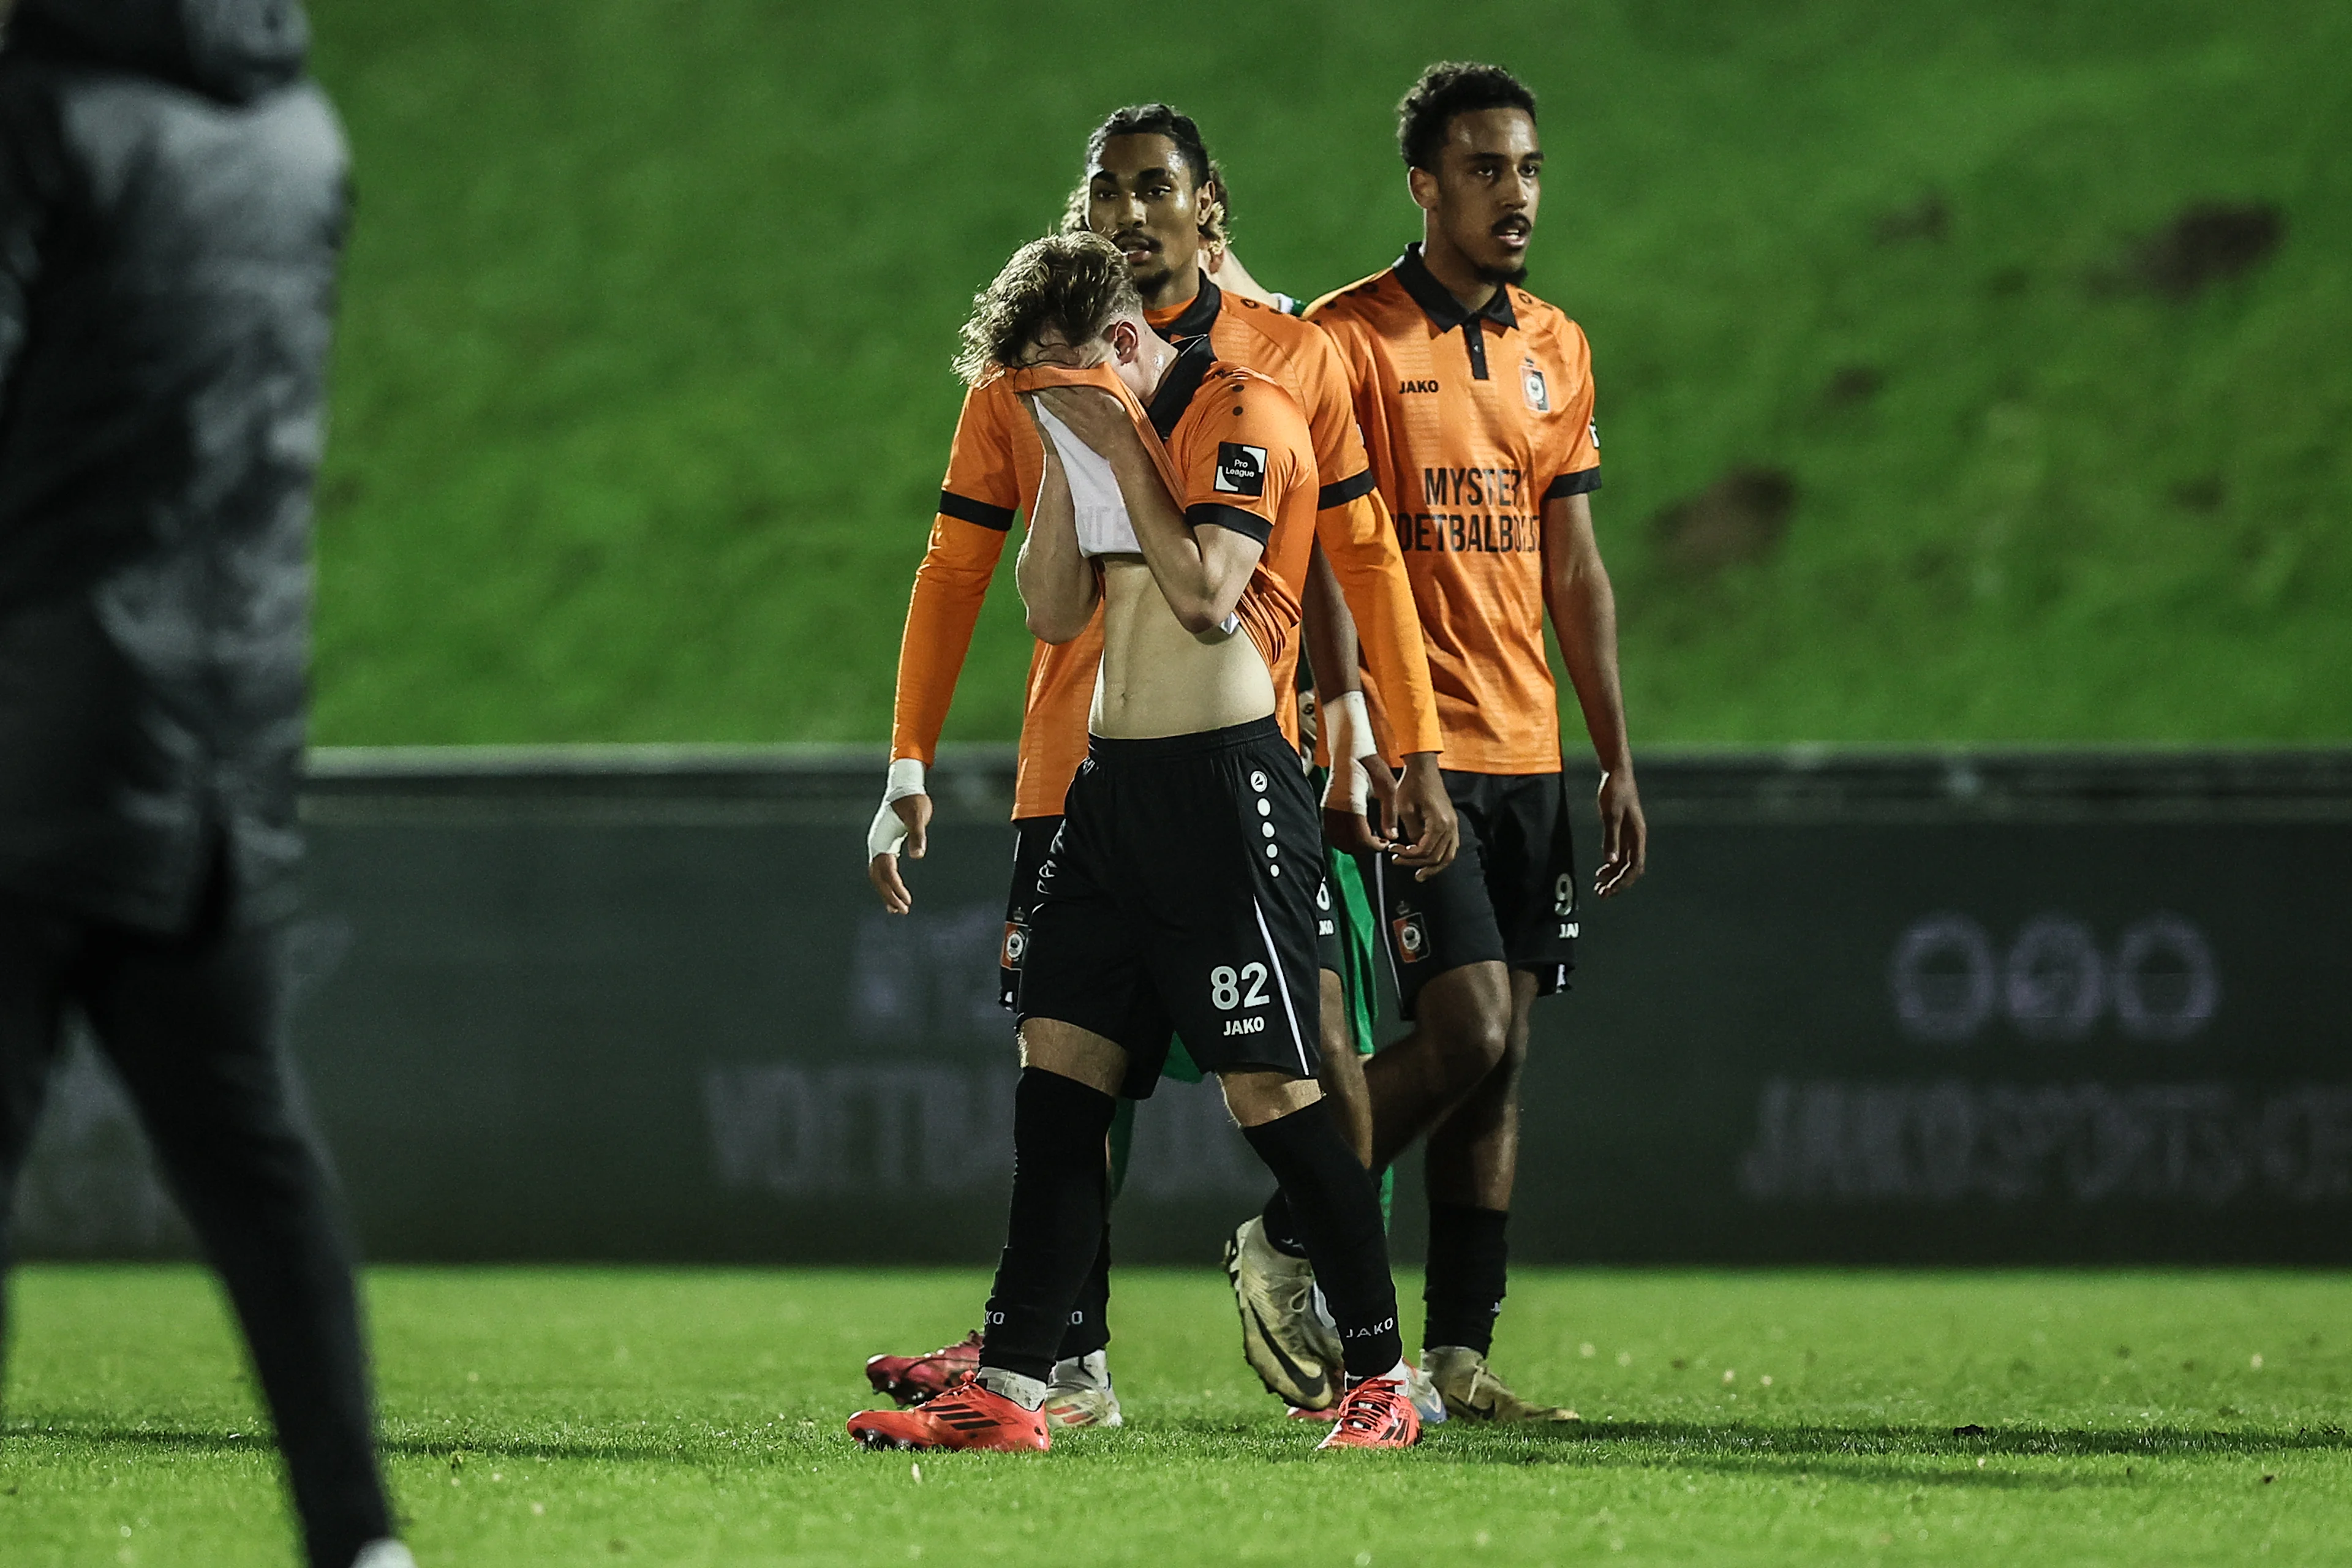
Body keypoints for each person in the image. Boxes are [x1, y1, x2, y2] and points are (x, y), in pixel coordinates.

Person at [864, 104, 1454, 1422]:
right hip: (1102, 786)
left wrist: (1393, 734)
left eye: (1155, 191)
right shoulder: (1085, 406)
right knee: (1059, 1077)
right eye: (1107, 194)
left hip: (1227, 785)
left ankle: (1382, 1370)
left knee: (1281, 1092)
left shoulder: (1254, 394)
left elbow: (1206, 596)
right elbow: (1053, 608)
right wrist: (1072, 446)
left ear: (1206, 209)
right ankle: (1022, 1378)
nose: (1131, 216)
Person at [0, 3, 410, 1566]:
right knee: (252, 1150)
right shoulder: (298, 134)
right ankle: (360, 1540)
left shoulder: (44, 116)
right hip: (224, 730)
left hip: (36, 716)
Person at [1286, 61, 1652, 1423]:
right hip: (1414, 752)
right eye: (1489, 168)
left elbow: (1577, 570)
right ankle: (1291, 1225)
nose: (1518, 195)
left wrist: (1610, 752)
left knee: (1504, 1054)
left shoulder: (1558, 344)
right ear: (1425, 183)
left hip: (1527, 746)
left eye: (1532, 169)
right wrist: (1355, 725)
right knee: (1467, 1026)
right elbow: (1320, 548)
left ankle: (1455, 1356)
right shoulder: (1349, 340)